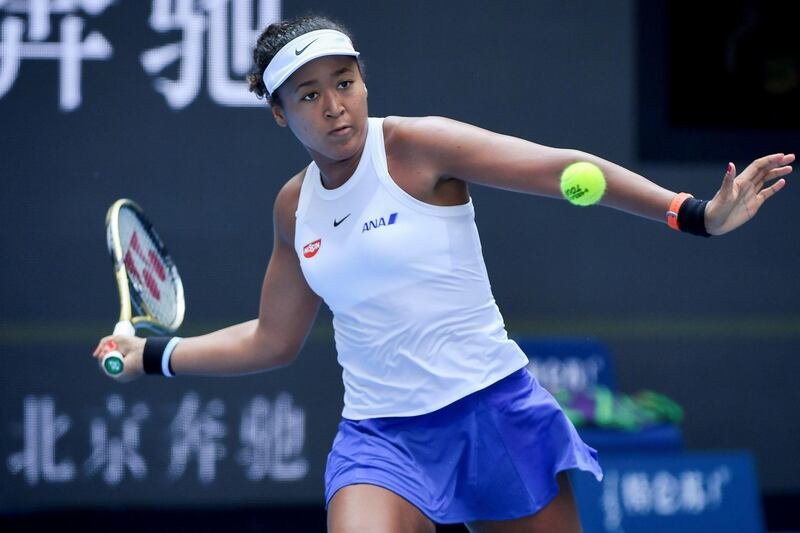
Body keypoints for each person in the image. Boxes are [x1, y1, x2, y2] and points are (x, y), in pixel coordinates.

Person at [92, 14, 793, 533]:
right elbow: (272, 340)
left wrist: (694, 212)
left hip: (495, 413)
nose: (335, 104)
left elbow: (565, 170)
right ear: (279, 114)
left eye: (345, 81)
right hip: (381, 437)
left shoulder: (417, 148)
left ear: (364, 80)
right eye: (308, 95)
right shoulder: (293, 208)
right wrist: (153, 355)